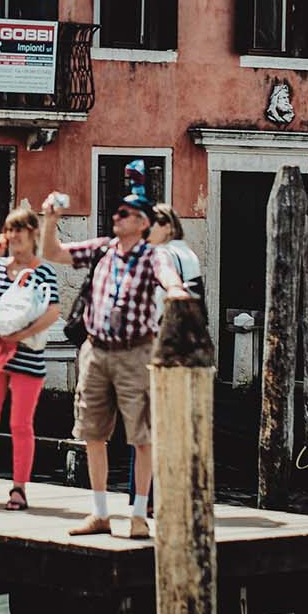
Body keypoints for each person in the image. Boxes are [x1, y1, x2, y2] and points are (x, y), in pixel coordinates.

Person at [39, 191, 187, 539]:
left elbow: (169, 278)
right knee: (92, 433)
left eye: (125, 213)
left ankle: (138, 515)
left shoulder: (153, 256)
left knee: (141, 435)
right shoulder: (103, 248)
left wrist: (177, 291)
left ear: (143, 222)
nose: (116, 216)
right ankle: (100, 513)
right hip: (95, 351)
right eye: (117, 211)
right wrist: (50, 221)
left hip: (136, 352)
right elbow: (52, 253)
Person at [0, 206, 60, 511]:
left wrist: (22, 334)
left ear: (33, 233)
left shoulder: (44, 271)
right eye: (10, 229)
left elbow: (53, 312)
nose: (14, 235)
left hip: (27, 355)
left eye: (20, 229)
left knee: (21, 425)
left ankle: (18, 488)